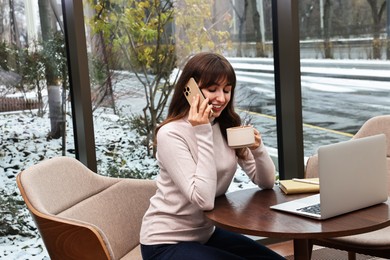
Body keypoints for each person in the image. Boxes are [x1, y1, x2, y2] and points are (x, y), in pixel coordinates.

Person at [140, 52, 284, 260]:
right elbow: (204, 200)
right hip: (165, 242)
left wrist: (258, 149)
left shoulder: (225, 126)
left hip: (206, 234)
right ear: (190, 90)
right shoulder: (171, 134)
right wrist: (203, 131)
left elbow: (267, 182)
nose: (222, 98)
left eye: (227, 90)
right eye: (212, 89)